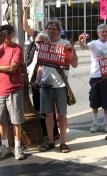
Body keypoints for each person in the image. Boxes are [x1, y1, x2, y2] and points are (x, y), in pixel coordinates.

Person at [38, 20, 78, 153]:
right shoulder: (43, 44)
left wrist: (73, 51)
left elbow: (75, 64)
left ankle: (63, 143)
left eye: (53, 29)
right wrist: (38, 79)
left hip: (60, 85)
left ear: (59, 30)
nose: (50, 31)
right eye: (48, 28)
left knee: (62, 115)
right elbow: (41, 65)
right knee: (48, 115)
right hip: (46, 85)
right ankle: (50, 141)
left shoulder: (65, 44)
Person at [23, 8, 59, 141]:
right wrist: (25, 11)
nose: (40, 44)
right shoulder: (36, 42)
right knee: (39, 108)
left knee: (48, 110)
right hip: (33, 80)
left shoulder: (52, 44)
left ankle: (53, 134)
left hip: (45, 81)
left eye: (53, 28)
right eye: (38, 42)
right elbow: (26, 27)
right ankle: (45, 133)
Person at [79, 24, 107, 133]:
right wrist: (81, 41)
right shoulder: (94, 43)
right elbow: (83, 47)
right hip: (95, 76)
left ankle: (106, 123)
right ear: (98, 33)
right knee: (94, 102)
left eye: (106, 31)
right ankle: (95, 123)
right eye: (102, 32)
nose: (104, 33)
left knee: (106, 102)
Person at [0, 24, 25, 160]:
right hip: (0, 90)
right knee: (2, 121)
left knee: (16, 121)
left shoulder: (17, 49)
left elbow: (12, 68)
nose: (7, 35)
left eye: (9, 32)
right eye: (4, 33)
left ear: (13, 34)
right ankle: (5, 147)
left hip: (14, 89)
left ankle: (17, 147)